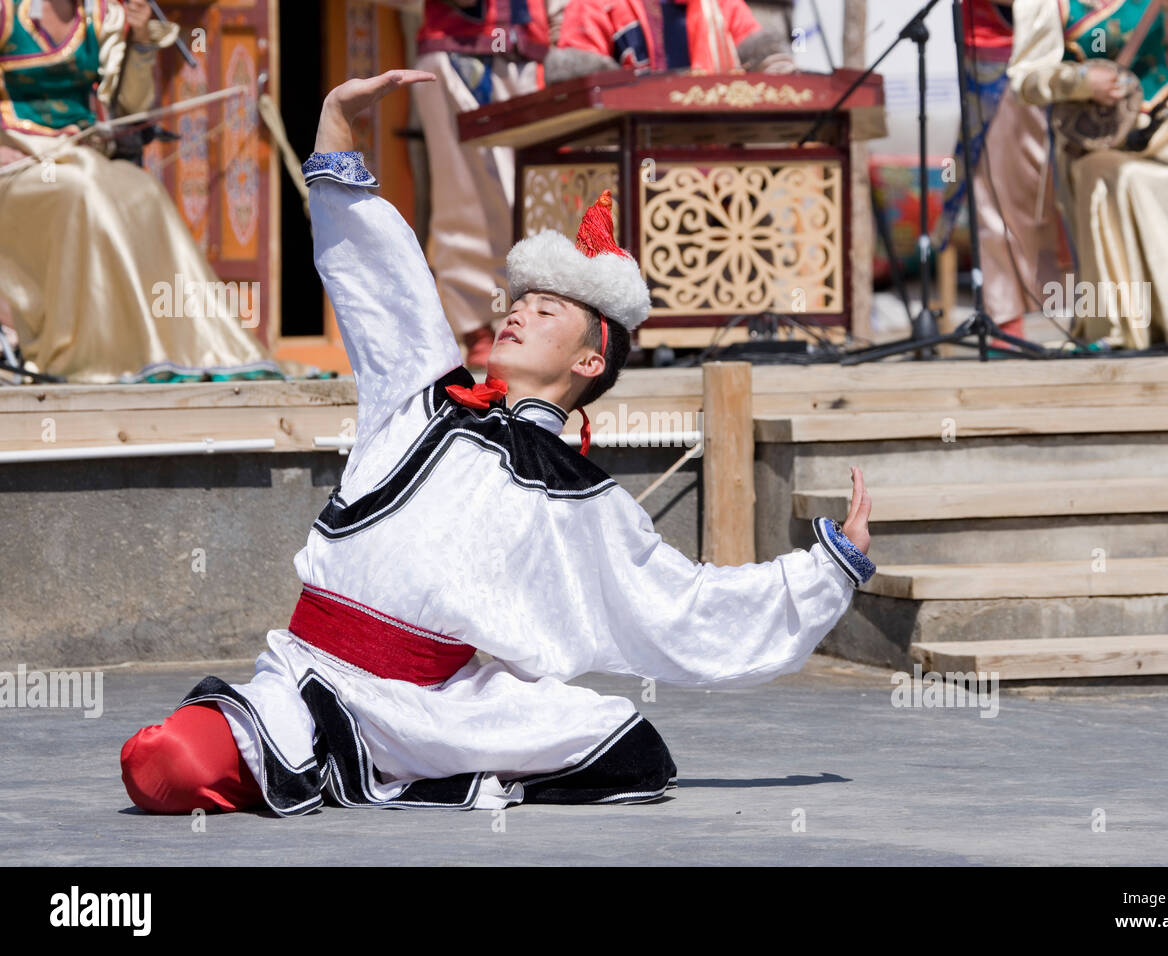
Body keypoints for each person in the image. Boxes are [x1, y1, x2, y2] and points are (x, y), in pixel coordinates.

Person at [118, 70, 877, 815]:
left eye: (547, 310)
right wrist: (338, 130)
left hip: (431, 708)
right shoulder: (422, 391)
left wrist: (827, 569)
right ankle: (328, 757)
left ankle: (429, 767)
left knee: (627, 744)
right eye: (520, 301)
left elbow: (682, 607)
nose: (517, 314)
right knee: (160, 765)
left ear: (589, 360)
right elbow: (383, 286)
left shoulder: (583, 497)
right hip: (306, 670)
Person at [0, 0, 281, 383]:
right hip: (17, 166)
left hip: (82, 155)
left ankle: (187, 350)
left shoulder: (100, 17)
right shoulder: (7, 14)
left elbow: (132, 104)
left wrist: (141, 43)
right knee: (82, 190)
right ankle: (91, 355)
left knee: (144, 192)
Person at [1006, 0, 1168, 349]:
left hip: (1164, 127)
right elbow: (1024, 80)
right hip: (1092, 142)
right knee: (1113, 180)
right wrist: (1081, 80)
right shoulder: (1047, 4)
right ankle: (1119, 329)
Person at [409, 0, 551, 371]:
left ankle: (541, 323)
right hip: (458, 52)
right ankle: (476, 327)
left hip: (535, 54)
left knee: (543, 194)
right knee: (464, 198)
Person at [934, 0, 1063, 342]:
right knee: (996, 198)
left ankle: (1092, 314)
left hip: (1075, 50)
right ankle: (1007, 319)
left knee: (1071, 192)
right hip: (1001, 56)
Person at [546, 0, 797, 82]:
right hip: (625, 172)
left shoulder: (719, 4)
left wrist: (779, 71)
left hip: (713, 179)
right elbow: (579, 88)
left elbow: (768, 59)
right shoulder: (595, 4)